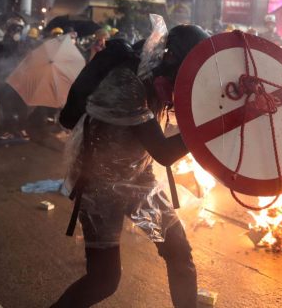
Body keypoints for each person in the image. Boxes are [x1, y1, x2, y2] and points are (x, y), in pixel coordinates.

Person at [53, 25, 208, 308]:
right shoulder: (127, 83)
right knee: (104, 281)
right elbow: (162, 151)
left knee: (179, 253)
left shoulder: (159, 77)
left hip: (138, 178)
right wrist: (212, 129)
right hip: (99, 186)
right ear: (171, 58)